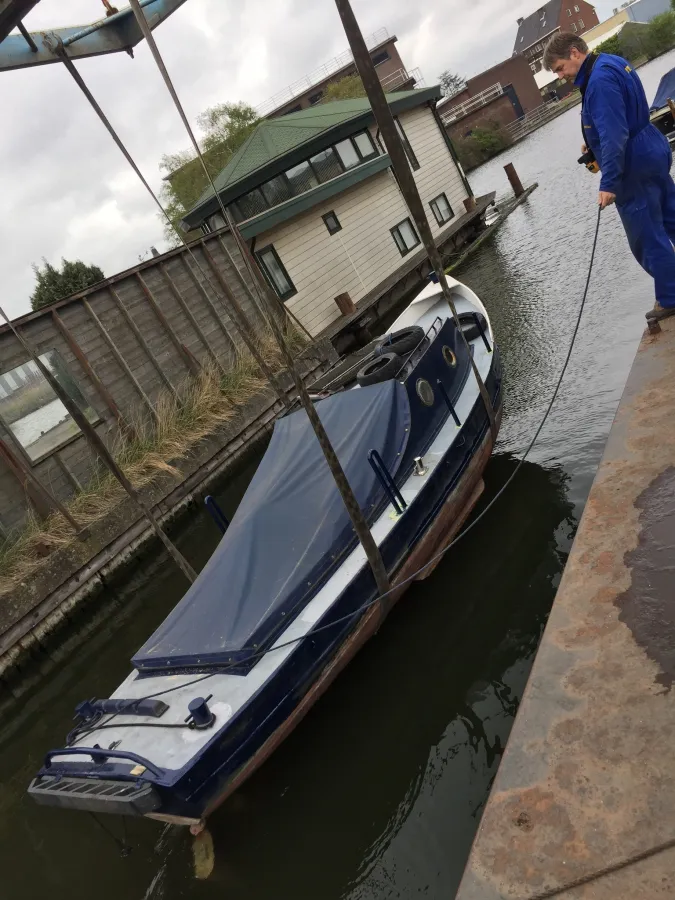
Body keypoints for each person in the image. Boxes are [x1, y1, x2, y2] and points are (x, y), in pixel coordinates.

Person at [543, 33, 675, 322]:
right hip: (651, 145)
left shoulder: (599, 82)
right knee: (670, 215)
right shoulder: (610, 63)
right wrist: (593, 144)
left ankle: (670, 297)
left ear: (575, 53)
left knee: (646, 237)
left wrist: (609, 183)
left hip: (632, 165)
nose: (561, 76)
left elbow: (614, 136)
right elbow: (621, 119)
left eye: (560, 68)